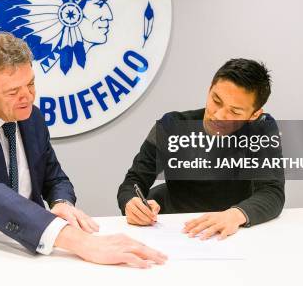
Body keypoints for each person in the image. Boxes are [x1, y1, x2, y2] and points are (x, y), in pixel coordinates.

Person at [0, 32, 166, 268]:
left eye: (31, 84)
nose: (27, 97)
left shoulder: (31, 117)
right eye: (13, 92)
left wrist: (61, 202)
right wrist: (78, 241)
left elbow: (54, 176)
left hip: (23, 246)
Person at [117, 58, 285, 240]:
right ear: (209, 90)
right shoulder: (171, 125)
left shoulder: (261, 128)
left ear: (254, 115)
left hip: (234, 233)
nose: (219, 116)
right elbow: (133, 182)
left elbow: (272, 192)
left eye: (235, 112)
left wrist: (235, 215)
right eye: (216, 100)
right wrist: (131, 202)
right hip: (175, 230)